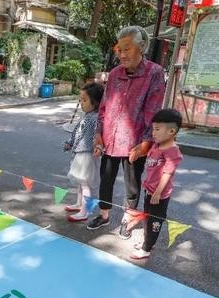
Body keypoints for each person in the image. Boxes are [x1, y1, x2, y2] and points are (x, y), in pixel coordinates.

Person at [87, 26, 166, 239]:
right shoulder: (114, 74)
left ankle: (127, 220)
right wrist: (98, 133)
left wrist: (146, 143)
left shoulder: (154, 73)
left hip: (135, 141)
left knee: (132, 184)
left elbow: (153, 111)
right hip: (109, 139)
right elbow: (104, 107)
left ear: (142, 47)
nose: (122, 54)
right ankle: (104, 215)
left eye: (127, 49)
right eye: (119, 49)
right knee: (106, 178)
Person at [130, 109, 183, 260]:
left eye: (157, 129)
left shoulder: (173, 151)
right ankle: (147, 242)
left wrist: (158, 192)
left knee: (155, 221)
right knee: (147, 217)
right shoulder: (156, 145)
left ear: (171, 131)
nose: (153, 133)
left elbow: (167, 173)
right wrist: (136, 152)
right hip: (149, 190)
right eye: (153, 129)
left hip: (159, 195)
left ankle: (146, 249)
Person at [63, 82, 105, 222]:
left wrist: (98, 146)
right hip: (80, 153)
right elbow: (76, 132)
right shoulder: (87, 115)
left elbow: (97, 137)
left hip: (87, 155)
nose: (81, 103)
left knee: (85, 183)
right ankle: (79, 204)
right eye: (81, 99)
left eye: (85, 100)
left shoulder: (95, 118)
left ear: (96, 102)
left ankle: (84, 211)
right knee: (81, 182)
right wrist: (70, 142)